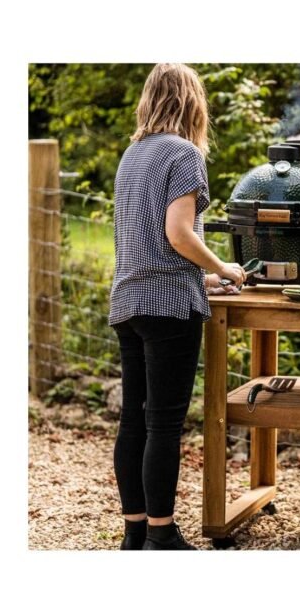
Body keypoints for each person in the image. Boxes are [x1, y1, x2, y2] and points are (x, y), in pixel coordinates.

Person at [108, 63, 246, 550]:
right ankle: (162, 535)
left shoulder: (133, 154)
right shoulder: (184, 153)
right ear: (193, 103)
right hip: (168, 308)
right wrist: (224, 267)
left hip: (130, 300)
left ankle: (135, 533)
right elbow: (178, 234)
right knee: (163, 424)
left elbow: (147, 242)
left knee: (134, 420)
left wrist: (202, 277)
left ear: (149, 98)